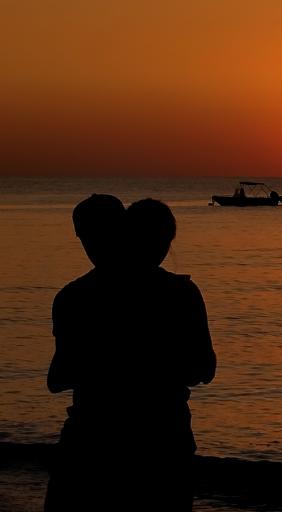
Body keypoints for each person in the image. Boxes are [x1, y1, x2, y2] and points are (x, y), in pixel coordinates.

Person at [46, 196, 216, 512]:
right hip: (162, 439)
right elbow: (203, 369)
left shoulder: (73, 297)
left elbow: (57, 379)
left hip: (92, 441)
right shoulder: (181, 294)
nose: (90, 245)